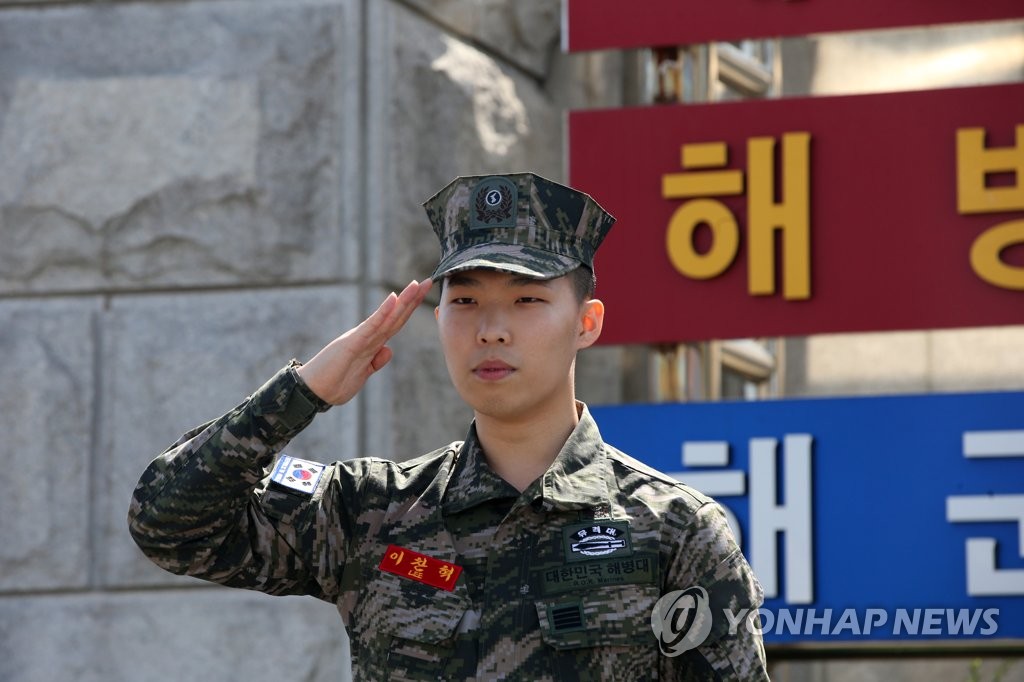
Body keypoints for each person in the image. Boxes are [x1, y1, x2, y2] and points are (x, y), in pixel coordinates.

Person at [128, 172, 769, 681]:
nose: (490, 329)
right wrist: (302, 393)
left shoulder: (674, 530)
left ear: (587, 323)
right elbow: (169, 524)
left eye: (526, 300)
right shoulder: (372, 512)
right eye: (464, 301)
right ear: (437, 320)